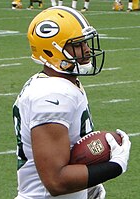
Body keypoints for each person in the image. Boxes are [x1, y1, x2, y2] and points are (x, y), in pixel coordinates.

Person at [13, 6, 131, 199]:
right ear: (52, 51)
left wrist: (88, 187)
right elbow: (56, 181)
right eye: (77, 45)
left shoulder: (61, 83)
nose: (86, 50)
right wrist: (115, 166)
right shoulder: (52, 94)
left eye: (85, 42)